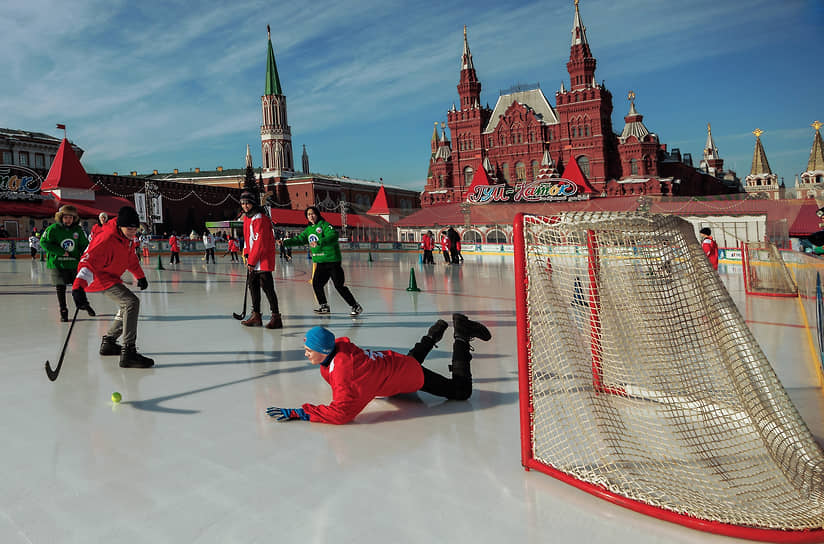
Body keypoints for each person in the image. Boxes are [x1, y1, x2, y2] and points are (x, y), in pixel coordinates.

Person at [265, 313, 492, 424]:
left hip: (406, 375)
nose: (305, 354)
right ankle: (434, 334)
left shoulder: (347, 373)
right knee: (408, 362)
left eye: (309, 350)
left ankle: (461, 335)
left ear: (325, 351)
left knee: (461, 391)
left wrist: (301, 412)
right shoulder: (340, 347)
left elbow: (341, 413)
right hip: (394, 366)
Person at [72, 206, 153, 368]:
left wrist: (140, 276)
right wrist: (78, 287)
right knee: (131, 302)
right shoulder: (106, 238)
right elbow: (88, 261)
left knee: (127, 305)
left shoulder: (126, 238)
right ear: (120, 226)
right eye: (129, 228)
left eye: (135, 229)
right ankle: (128, 352)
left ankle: (109, 342)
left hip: (110, 276)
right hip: (98, 277)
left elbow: (130, 259)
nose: (132, 232)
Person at [283, 206, 362, 316]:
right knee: (316, 284)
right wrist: (284, 242)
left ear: (317, 214)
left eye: (313, 213)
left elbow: (333, 236)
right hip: (320, 262)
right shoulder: (309, 229)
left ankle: (355, 306)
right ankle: (324, 306)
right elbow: (299, 239)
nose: (311, 216)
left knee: (339, 286)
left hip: (332, 261)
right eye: (308, 214)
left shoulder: (325, 225)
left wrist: (320, 242)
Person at [39, 205, 95, 322]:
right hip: (57, 263)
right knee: (60, 287)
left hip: (73, 263)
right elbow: (44, 242)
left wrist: (81, 256)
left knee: (78, 286)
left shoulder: (78, 231)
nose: (68, 220)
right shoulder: (53, 229)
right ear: (61, 218)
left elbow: (84, 245)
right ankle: (63, 310)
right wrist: (60, 251)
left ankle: (84, 304)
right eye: (66, 217)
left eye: (71, 217)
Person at [239, 191, 282, 329]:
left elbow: (260, 242)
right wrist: (246, 253)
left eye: (247, 202)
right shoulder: (247, 218)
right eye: (243, 203)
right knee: (253, 285)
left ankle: (276, 316)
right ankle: (256, 315)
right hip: (253, 258)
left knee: (267, 287)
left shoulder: (260, 218)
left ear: (253, 203)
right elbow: (247, 239)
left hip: (262, 259)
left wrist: (252, 261)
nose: (245, 206)